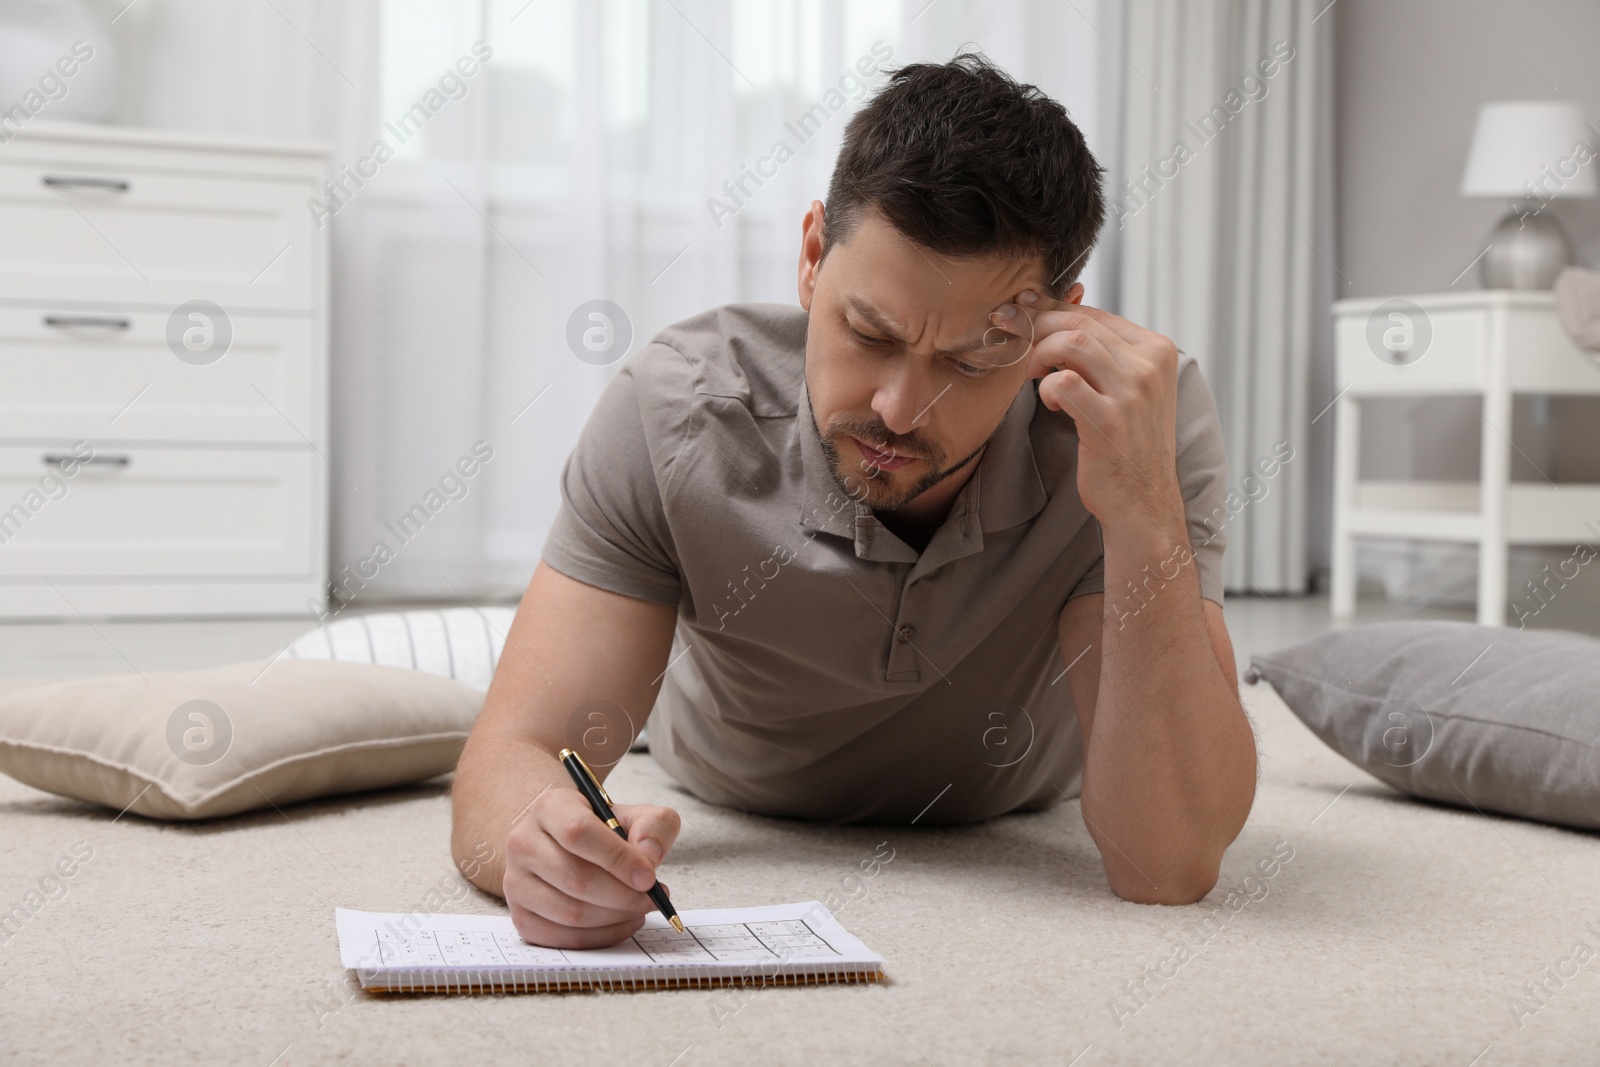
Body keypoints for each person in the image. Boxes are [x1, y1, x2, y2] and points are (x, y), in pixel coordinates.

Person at [451, 52, 1257, 949]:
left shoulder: (1136, 419)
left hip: (1024, 791)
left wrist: (1142, 506)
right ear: (808, 260)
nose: (901, 409)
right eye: (869, 332)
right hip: (728, 777)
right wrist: (542, 845)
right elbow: (510, 756)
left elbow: (1169, 864)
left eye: (969, 358)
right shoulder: (674, 409)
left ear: (1054, 325)